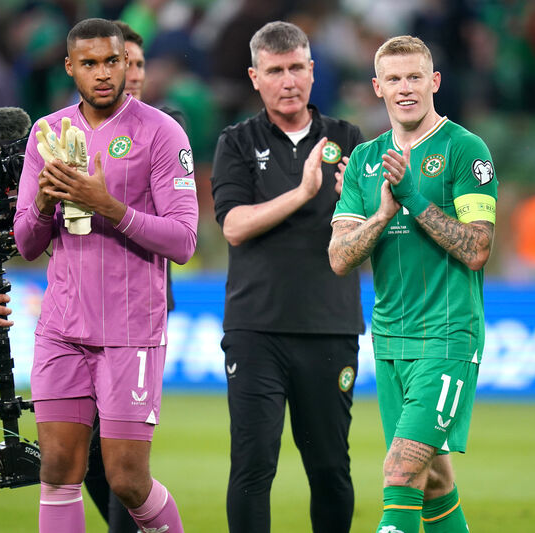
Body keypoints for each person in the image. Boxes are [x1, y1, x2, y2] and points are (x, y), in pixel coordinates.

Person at [13, 18, 197, 533]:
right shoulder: (46, 134)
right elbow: (27, 244)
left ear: (126, 63)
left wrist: (108, 207)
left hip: (131, 330)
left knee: (126, 478)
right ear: (70, 67)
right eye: (89, 63)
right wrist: (46, 203)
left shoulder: (161, 132)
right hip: (61, 327)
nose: (102, 73)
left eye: (111, 61)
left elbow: (183, 241)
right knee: (57, 470)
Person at [329, 36, 498, 533]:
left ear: (435, 82)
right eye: (395, 79)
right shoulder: (364, 159)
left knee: (400, 472)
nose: (406, 89)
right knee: (435, 482)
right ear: (377, 87)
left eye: (416, 77)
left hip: (448, 336)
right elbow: (339, 257)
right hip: (389, 341)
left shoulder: (466, 150)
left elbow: (477, 248)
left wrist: (411, 196)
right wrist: (383, 213)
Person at [210, 21, 364, 533]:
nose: (288, 80)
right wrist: (302, 193)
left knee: (329, 469)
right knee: (253, 468)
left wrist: (362, 209)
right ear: (255, 77)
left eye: (297, 67)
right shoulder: (236, 142)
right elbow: (233, 226)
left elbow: (368, 236)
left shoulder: (348, 140)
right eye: (275, 71)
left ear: (312, 70)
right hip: (256, 330)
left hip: (330, 328)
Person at [81, 19, 185, 533]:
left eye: (136, 64)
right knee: (84, 459)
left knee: (122, 456)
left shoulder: (166, 129)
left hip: (138, 308)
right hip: (80, 313)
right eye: (126, 62)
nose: (131, 73)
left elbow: (180, 233)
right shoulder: (69, 133)